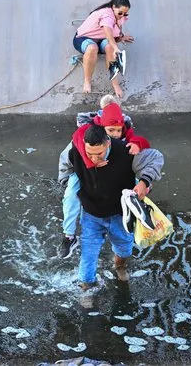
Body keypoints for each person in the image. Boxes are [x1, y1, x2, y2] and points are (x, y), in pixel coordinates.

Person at [58, 124, 164, 289]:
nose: (94, 159)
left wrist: (144, 181)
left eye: (99, 154)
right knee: (88, 256)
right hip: (91, 214)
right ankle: (87, 287)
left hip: (120, 215)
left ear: (108, 143)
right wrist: (67, 182)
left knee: (124, 250)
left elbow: (155, 158)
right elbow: (65, 165)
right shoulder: (75, 150)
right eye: (89, 154)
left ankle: (119, 267)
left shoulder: (125, 151)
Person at [58, 99, 150, 259]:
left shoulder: (123, 134)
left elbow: (142, 144)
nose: (114, 135)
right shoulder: (88, 133)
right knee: (70, 195)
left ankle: (137, 223)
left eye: (118, 131)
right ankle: (69, 236)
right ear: (101, 128)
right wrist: (90, 163)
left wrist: (137, 144)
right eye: (110, 130)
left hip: (114, 178)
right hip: (84, 175)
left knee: (137, 191)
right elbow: (69, 154)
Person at [72, 0, 135, 98]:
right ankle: (87, 81)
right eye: (120, 13)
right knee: (92, 48)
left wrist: (121, 37)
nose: (122, 15)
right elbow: (108, 31)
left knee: (110, 48)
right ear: (113, 7)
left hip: (101, 40)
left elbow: (115, 33)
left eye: (125, 13)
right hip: (83, 38)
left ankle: (115, 84)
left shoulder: (119, 16)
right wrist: (116, 47)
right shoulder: (107, 14)